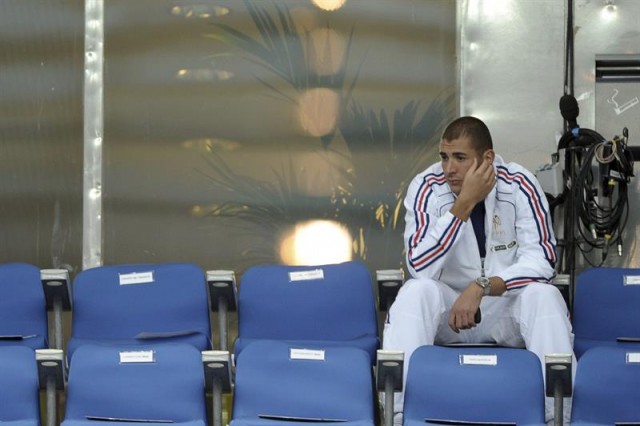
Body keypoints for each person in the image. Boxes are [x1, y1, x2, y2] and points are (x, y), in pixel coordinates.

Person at [383, 116, 574, 425]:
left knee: (545, 295)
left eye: (460, 158)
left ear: (487, 158)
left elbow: (544, 259)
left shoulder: (520, 183)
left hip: (504, 308)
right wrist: (463, 204)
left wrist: (483, 286)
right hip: (449, 311)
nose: (449, 169)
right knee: (415, 292)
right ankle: (399, 414)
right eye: (444, 157)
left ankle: (558, 418)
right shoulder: (426, 187)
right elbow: (419, 265)